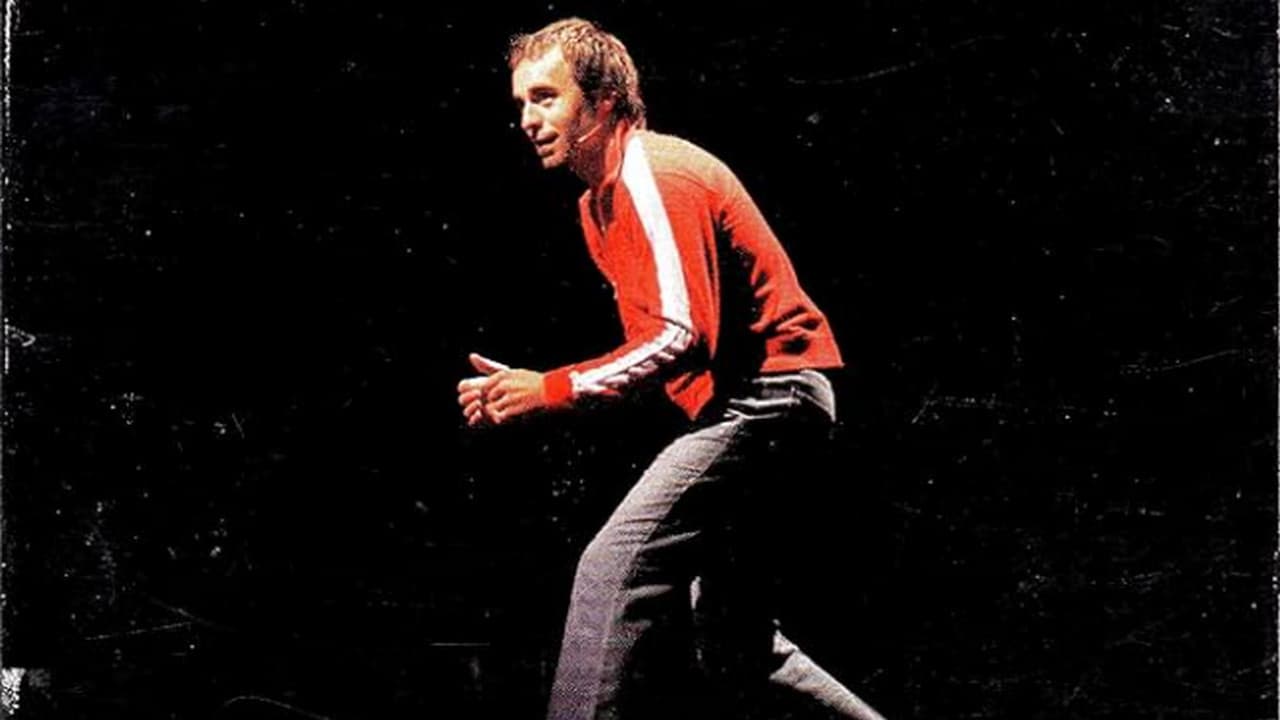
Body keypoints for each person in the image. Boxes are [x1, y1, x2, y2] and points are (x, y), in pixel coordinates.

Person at [457, 17, 888, 720]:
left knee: (612, 568)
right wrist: (533, 392)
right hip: (763, 405)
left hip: (771, 397)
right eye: (521, 103)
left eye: (545, 97)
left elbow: (677, 336)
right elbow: (661, 355)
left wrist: (553, 388)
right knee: (735, 643)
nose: (528, 119)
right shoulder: (598, 205)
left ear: (603, 101)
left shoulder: (653, 173)